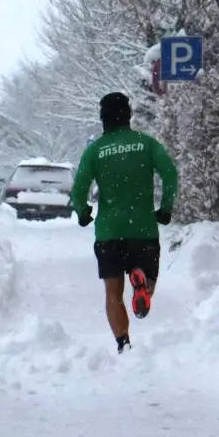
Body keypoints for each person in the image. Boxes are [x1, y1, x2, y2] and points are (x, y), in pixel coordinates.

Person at [71, 92, 179, 353]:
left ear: (103, 119)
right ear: (128, 116)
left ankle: (123, 343)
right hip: (142, 228)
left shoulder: (95, 150)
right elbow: (169, 173)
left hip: (110, 232)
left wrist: (84, 212)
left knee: (112, 293)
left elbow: (78, 189)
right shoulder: (146, 144)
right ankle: (141, 280)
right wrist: (165, 208)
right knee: (146, 278)